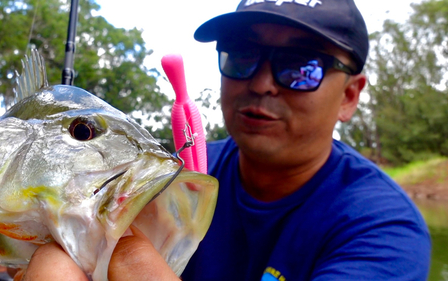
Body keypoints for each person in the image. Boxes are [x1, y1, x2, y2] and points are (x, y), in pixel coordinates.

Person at [24, 0, 431, 280]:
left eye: (300, 67)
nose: (261, 82)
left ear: (349, 96)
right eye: (241, 54)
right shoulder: (168, 177)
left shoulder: (384, 231)